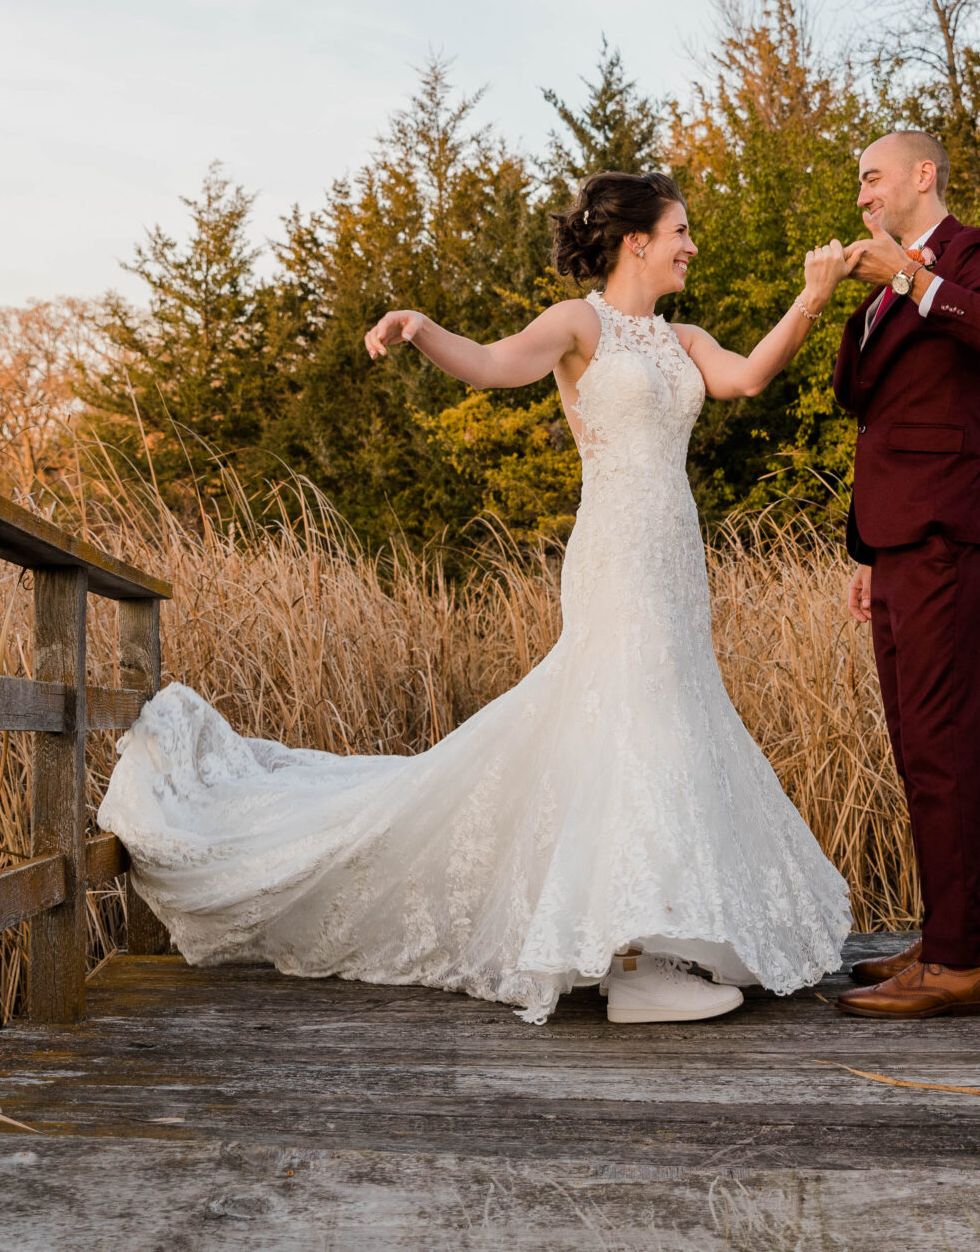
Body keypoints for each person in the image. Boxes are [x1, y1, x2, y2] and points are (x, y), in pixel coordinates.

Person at [99, 171, 854, 1024]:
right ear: (636, 239)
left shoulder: (685, 340)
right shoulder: (580, 323)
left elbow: (749, 378)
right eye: (680, 230)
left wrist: (810, 299)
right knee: (636, 719)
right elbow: (496, 366)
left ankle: (665, 941)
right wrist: (421, 328)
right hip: (615, 552)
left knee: (669, 719)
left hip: (676, 557)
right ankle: (636, 964)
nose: (691, 245)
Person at [827, 131, 980, 1020]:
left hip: (951, 533)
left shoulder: (976, 253)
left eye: (874, 177)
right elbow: (864, 404)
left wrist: (911, 278)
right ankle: (954, 933)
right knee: (919, 746)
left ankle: (958, 966)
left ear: (922, 175)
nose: (864, 194)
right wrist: (871, 553)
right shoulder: (884, 289)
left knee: (944, 745)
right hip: (898, 541)